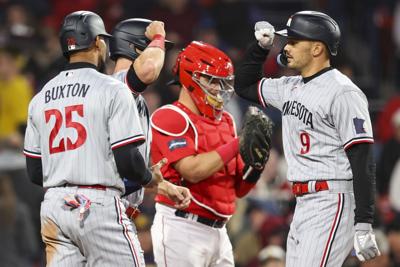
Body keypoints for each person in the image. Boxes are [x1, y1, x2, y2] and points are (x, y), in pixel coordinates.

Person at [23, 11, 189, 266]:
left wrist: (72, 169)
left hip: (55, 207)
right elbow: (126, 161)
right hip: (97, 206)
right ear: (98, 42)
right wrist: (158, 36)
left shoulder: (40, 98)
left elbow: (36, 172)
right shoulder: (114, 87)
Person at [234, 10, 380, 266]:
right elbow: (244, 85)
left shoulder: (343, 92)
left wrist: (364, 221)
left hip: (332, 199)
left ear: (316, 49)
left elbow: (362, 158)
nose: (286, 47)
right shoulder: (290, 86)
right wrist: (260, 48)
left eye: (293, 41)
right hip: (302, 201)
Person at [150, 41, 265, 267]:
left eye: (222, 82)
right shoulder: (170, 116)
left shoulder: (228, 121)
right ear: (188, 77)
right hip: (181, 228)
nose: (217, 88)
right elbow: (192, 171)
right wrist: (240, 142)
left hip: (220, 232)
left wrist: (256, 164)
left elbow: (238, 190)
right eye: (211, 80)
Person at [109, 18, 179, 219]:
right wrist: (158, 36)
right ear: (136, 48)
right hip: (109, 208)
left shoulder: (125, 93)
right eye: (154, 48)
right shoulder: (118, 85)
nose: (160, 56)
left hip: (111, 204)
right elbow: (148, 69)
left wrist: (160, 184)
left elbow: (123, 168)